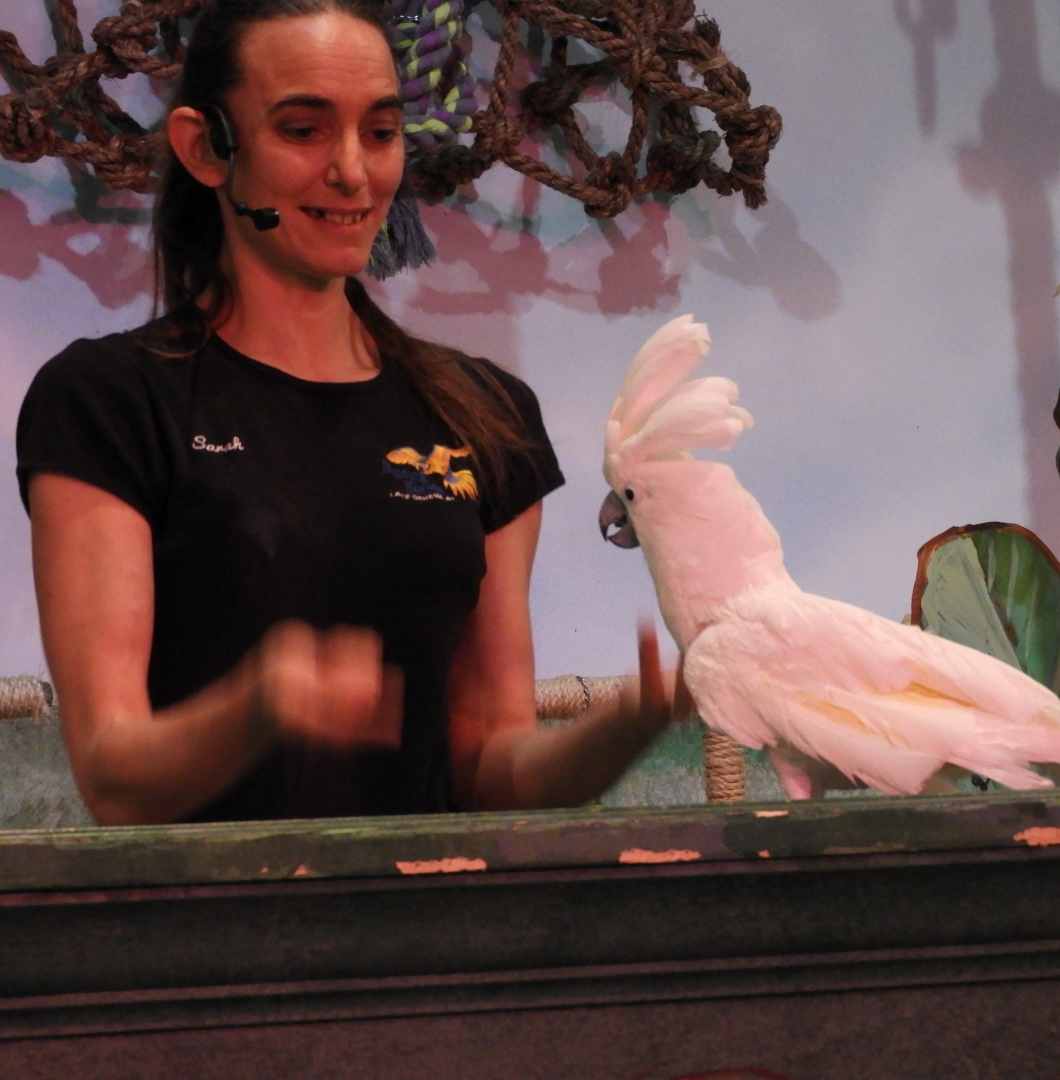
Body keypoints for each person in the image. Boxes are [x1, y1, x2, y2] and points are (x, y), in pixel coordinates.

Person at [14, 0, 676, 826]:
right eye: (303, 130)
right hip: (202, 939)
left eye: (380, 132)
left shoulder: (486, 414)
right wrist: (255, 707)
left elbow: (488, 768)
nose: (353, 173)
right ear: (204, 147)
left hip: (427, 934)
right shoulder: (106, 402)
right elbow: (115, 775)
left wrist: (628, 728)